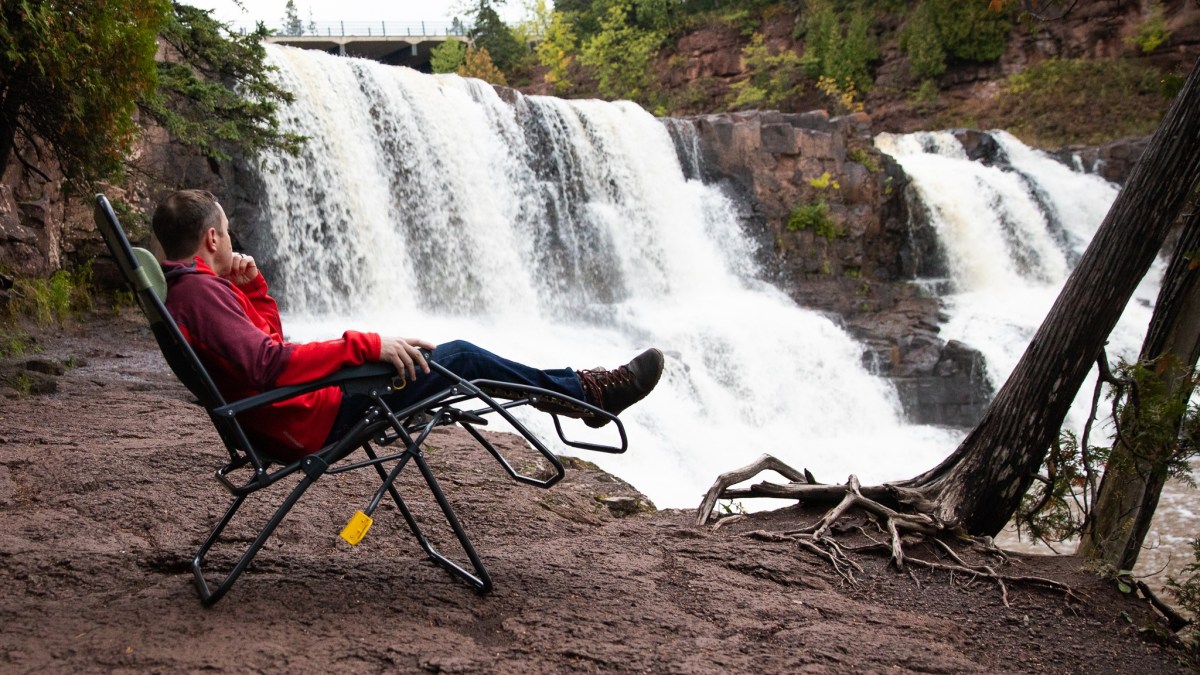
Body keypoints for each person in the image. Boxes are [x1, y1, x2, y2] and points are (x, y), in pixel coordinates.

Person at [151, 189, 663, 460]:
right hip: (313, 420)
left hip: (293, 414)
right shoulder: (202, 293)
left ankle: (577, 394)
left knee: (437, 357)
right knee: (461, 358)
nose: (231, 241)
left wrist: (253, 289)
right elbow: (269, 363)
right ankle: (585, 395)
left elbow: (268, 349)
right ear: (213, 239)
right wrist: (365, 347)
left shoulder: (191, 290)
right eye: (227, 233)